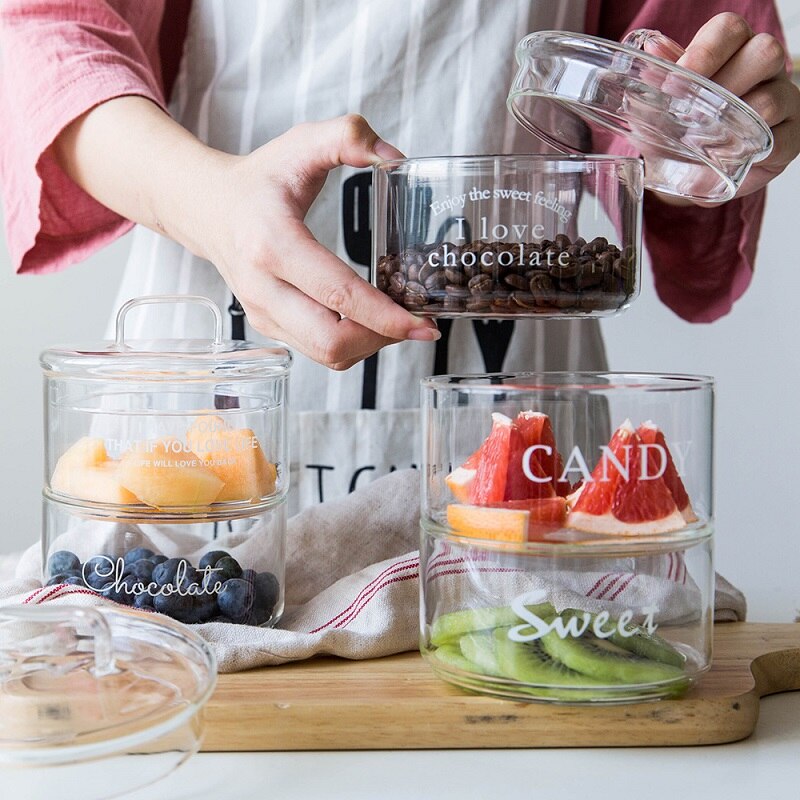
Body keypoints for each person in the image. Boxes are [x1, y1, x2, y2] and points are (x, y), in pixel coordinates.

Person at [1, 1, 798, 511]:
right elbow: (42, 32)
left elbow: (668, 98)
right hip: (202, 376)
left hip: (520, 378)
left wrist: (713, 130)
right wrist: (210, 203)